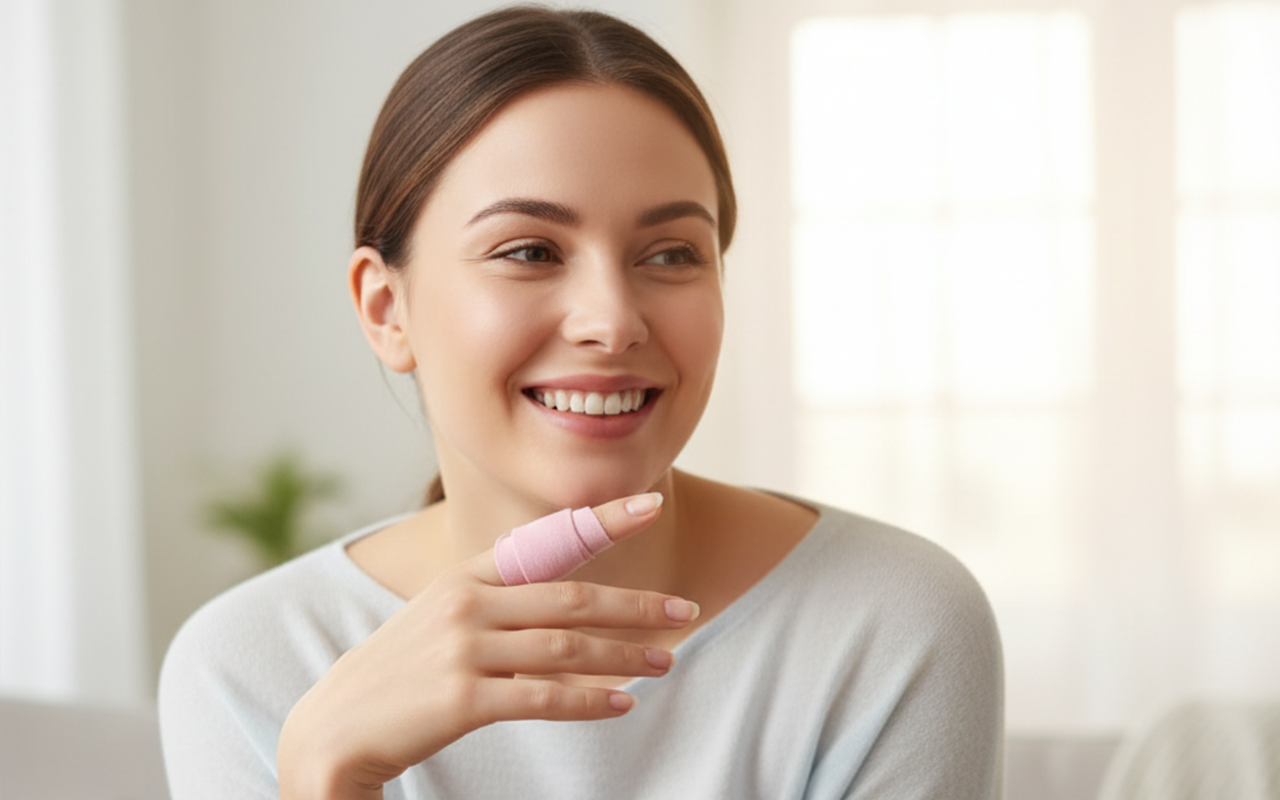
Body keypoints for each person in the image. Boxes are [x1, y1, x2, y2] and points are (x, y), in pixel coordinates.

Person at [158, 7, 1004, 799]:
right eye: (529, 250)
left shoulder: (892, 620)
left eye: (671, 254)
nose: (613, 321)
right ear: (386, 310)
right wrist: (324, 778)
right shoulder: (253, 665)